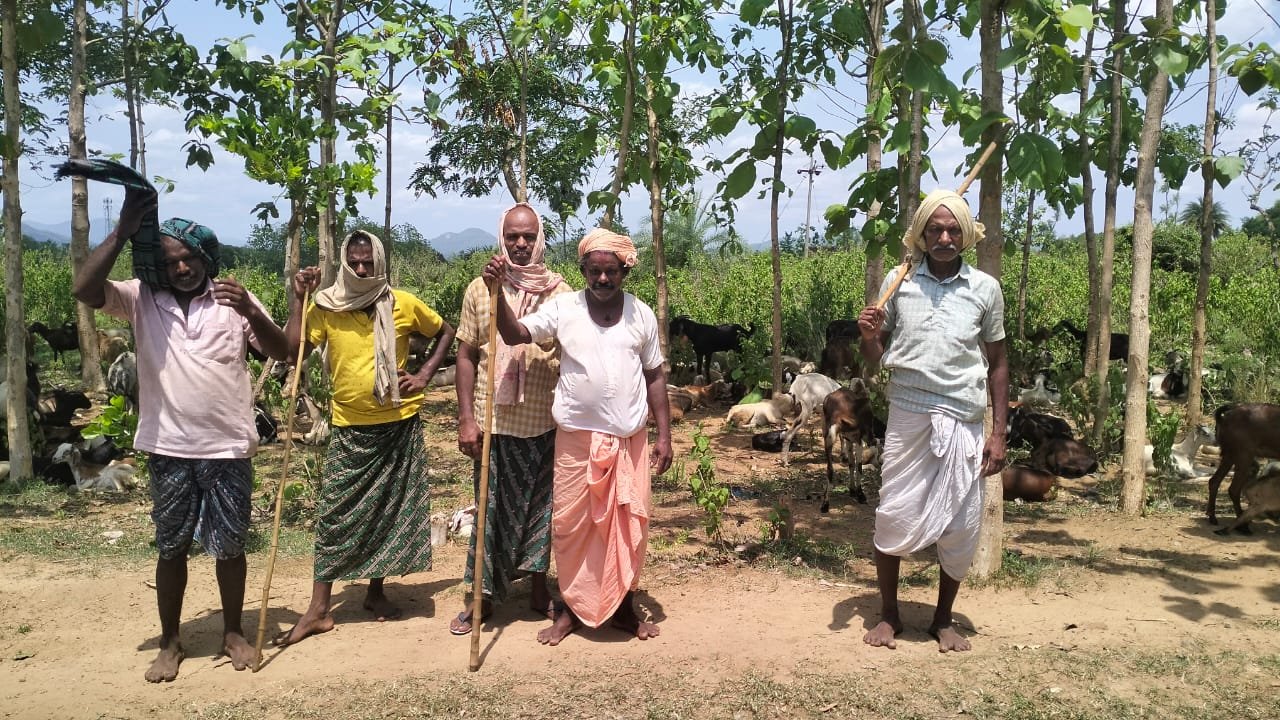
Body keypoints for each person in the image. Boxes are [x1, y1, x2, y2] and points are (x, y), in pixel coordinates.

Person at [72, 188, 292, 682]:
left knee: (230, 547)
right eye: (171, 261)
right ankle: (170, 642)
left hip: (229, 447)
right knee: (171, 547)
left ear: (206, 258)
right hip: (168, 447)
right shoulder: (142, 298)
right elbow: (85, 290)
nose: (182, 268)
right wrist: (122, 232)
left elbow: (282, 351)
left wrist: (252, 311)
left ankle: (232, 632)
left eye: (190, 258)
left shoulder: (234, 299)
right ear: (160, 265)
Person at [483, 228, 672, 646]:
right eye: (594, 271)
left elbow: (655, 376)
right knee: (572, 530)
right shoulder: (564, 308)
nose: (602, 279)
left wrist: (665, 436)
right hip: (576, 443)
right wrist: (496, 296)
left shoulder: (641, 314)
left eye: (611, 272)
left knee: (628, 527)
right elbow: (515, 335)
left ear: (624, 272)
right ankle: (571, 610)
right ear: (583, 270)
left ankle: (623, 608)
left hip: (629, 442)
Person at [276, 230, 456, 646]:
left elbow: (446, 331)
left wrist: (425, 374)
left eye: (368, 262)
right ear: (343, 263)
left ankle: (375, 592)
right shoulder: (327, 306)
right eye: (354, 262)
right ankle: (319, 608)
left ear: (379, 262)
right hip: (350, 426)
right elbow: (292, 349)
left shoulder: (403, 303)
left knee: (388, 512)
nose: (361, 269)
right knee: (334, 515)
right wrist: (298, 299)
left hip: (398, 423)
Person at [856, 189, 1009, 653]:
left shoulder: (985, 288)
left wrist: (998, 433)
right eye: (935, 230)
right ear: (921, 235)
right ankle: (889, 615)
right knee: (894, 512)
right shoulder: (899, 281)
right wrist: (867, 335)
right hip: (908, 413)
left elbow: (999, 363)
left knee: (961, 523)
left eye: (953, 230)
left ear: (966, 236)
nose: (944, 238)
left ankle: (943, 619)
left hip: (963, 416)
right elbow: (874, 356)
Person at [449, 203, 572, 636]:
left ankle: (538, 590)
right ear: (502, 238)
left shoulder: (560, 293)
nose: (520, 244)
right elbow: (466, 355)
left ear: (539, 240)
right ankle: (481, 597)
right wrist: (466, 417)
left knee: (540, 512)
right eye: (512, 236)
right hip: (493, 422)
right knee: (490, 512)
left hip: (542, 421)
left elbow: (570, 357)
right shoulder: (479, 289)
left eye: (528, 236)